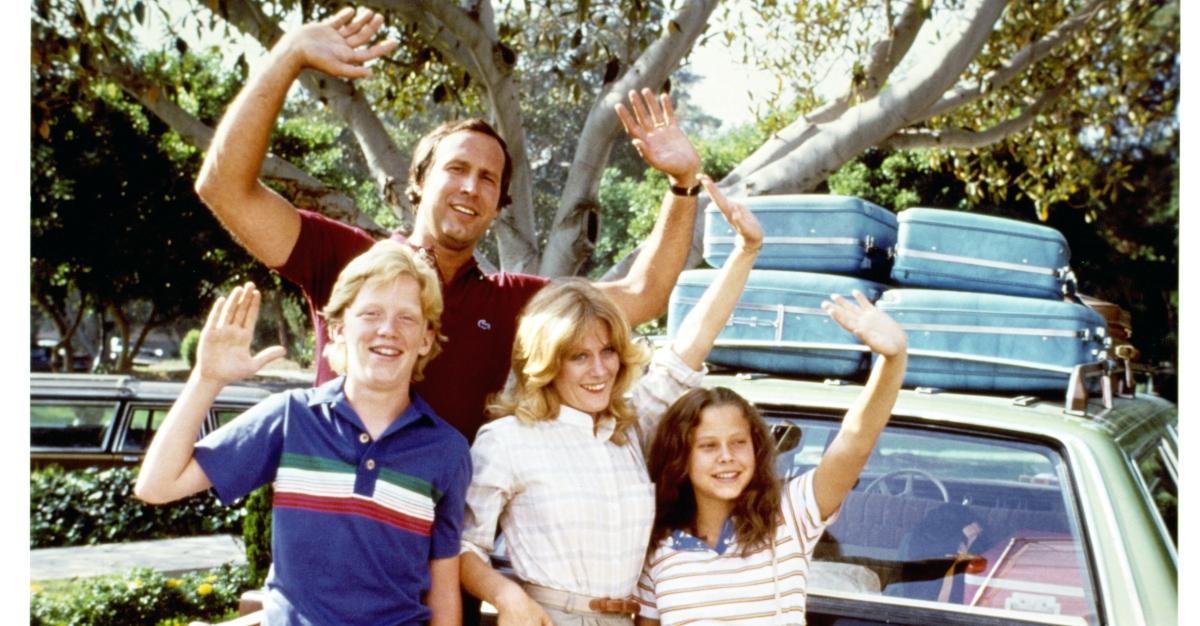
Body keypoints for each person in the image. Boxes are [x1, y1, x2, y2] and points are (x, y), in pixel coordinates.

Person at [194, 6, 704, 442]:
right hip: (333, 526)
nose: (469, 187)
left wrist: (683, 183)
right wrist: (287, 54)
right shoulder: (348, 259)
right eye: (456, 169)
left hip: (437, 546)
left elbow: (644, 293)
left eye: (487, 179)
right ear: (418, 182)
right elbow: (224, 188)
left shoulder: (511, 303)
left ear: (499, 204)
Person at [459, 178, 762, 625]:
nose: (600, 371)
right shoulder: (506, 440)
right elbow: (463, 546)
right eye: (579, 356)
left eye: (608, 352)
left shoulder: (631, 428)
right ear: (548, 362)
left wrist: (746, 252)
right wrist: (507, 596)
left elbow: (691, 345)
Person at [134, 241, 471, 625]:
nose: (388, 330)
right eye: (371, 313)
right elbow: (156, 486)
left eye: (407, 318)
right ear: (339, 329)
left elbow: (443, 589)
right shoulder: (292, 416)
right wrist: (207, 378)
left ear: (426, 338)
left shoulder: (447, 450)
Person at [634, 293, 908, 625]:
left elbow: (855, 440)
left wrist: (893, 360)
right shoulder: (660, 551)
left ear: (757, 448)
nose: (726, 457)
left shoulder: (789, 514)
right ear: (681, 458)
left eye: (738, 442)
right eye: (708, 446)